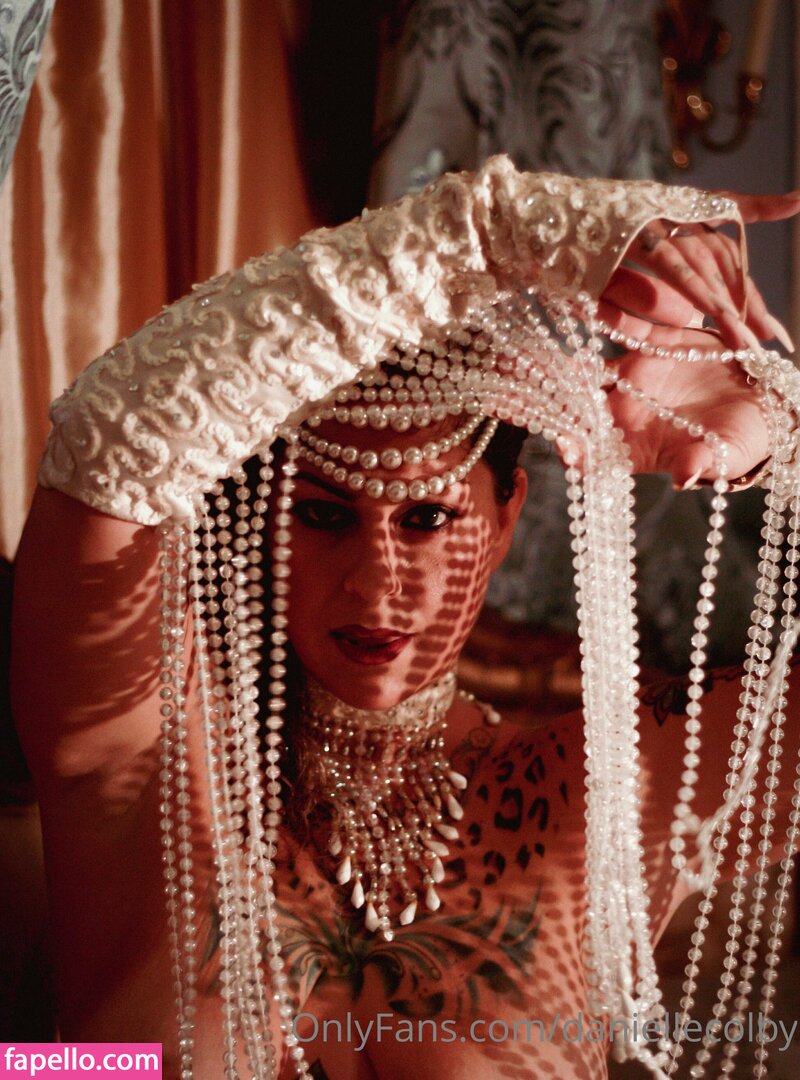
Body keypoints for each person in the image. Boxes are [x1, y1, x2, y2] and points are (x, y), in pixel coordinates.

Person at [10, 157, 800, 1079]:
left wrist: (779, 431)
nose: (375, 583)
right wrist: (499, 225)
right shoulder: (152, 760)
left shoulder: (607, 793)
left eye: (426, 518)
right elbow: (109, 446)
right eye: (323, 515)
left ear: (504, 519)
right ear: (260, 520)